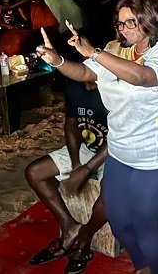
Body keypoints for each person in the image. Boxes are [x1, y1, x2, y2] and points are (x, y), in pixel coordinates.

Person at [35, 0, 158, 274]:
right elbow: (83, 74)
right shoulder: (114, 49)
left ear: (149, 20)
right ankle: (144, 265)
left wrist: (94, 52)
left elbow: (141, 76)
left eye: (131, 22)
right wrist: (57, 60)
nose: (124, 29)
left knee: (146, 225)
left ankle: (157, 269)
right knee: (117, 220)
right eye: (120, 24)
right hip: (120, 150)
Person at [26, 81, 109, 272]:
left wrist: (87, 169)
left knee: (110, 196)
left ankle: (85, 238)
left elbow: (119, 138)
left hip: (116, 153)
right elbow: (71, 125)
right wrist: (75, 164)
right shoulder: (74, 88)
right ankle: (69, 226)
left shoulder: (114, 88)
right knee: (34, 172)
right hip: (88, 149)